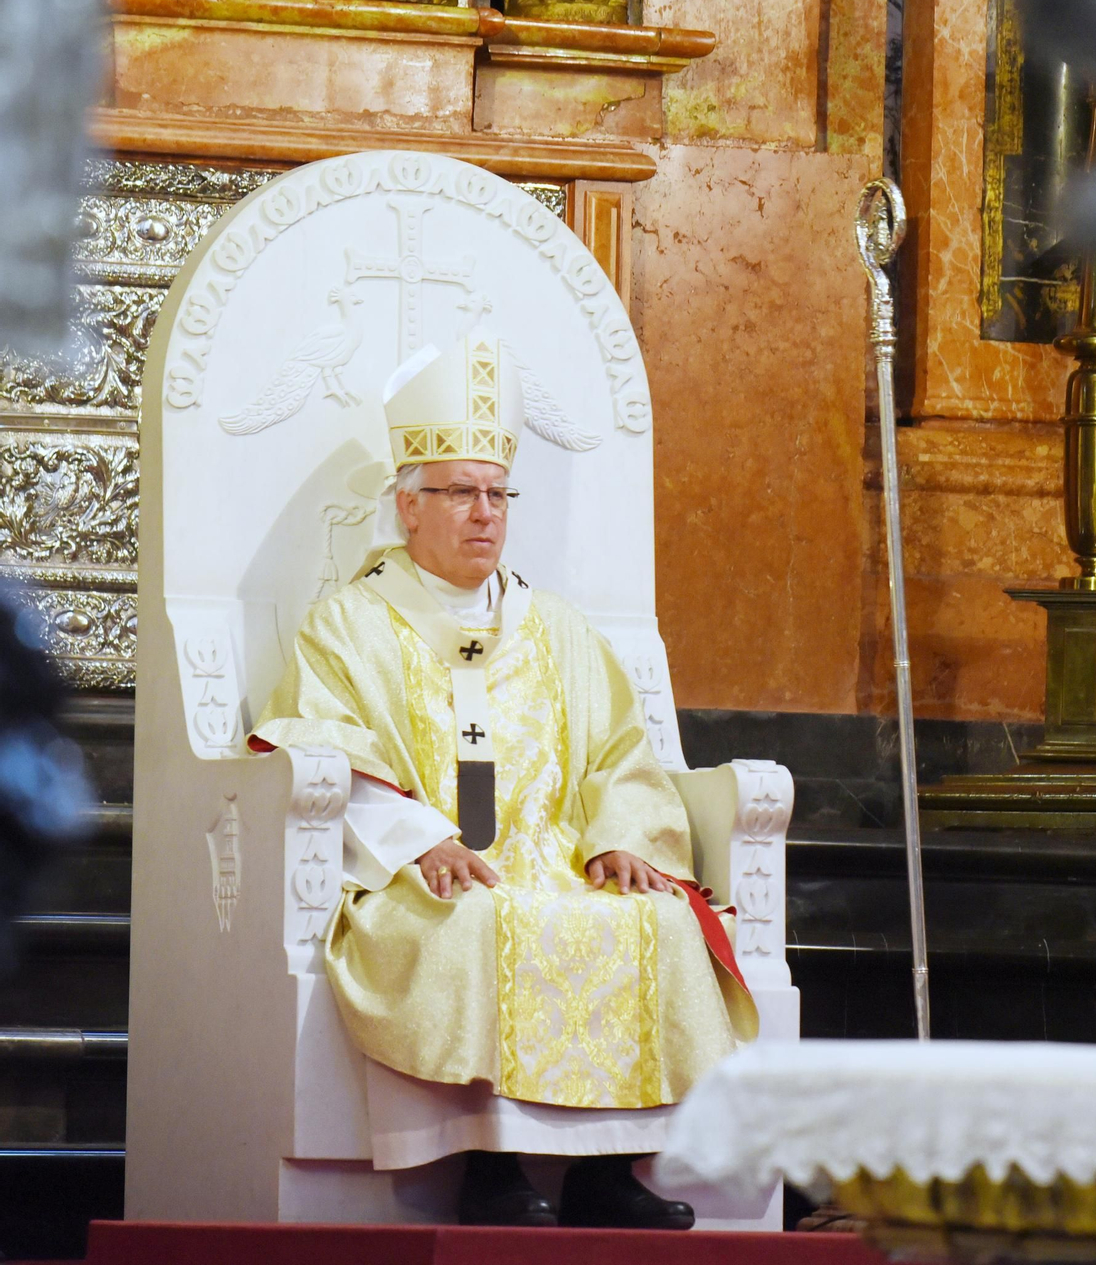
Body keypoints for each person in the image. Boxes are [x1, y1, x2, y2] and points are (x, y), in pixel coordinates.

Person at [250, 334, 757, 1228]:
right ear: (408, 507)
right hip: (424, 874)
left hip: (555, 861)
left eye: (496, 493)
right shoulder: (349, 627)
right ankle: (488, 1168)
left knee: (654, 918)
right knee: (474, 918)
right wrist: (422, 841)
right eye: (459, 493)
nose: (484, 513)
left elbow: (620, 753)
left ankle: (609, 1174)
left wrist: (618, 838)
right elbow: (317, 752)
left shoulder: (557, 628)